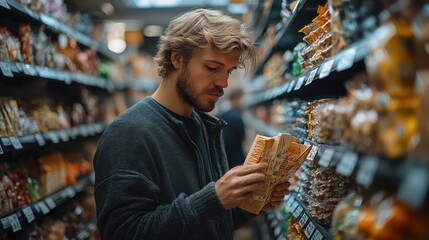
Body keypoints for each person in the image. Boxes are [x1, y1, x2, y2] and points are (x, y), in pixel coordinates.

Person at [93, 9, 290, 240]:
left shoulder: (204, 127)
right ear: (177, 58)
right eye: (212, 68)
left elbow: (210, 223)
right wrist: (213, 199)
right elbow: (123, 233)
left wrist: (248, 203)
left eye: (228, 71)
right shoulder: (127, 134)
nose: (223, 82)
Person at [217, 88, 246, 168]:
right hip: (235, 159)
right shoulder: (236, 117)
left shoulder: (220, 114)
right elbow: (242, 136)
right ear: (236, 99)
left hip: (223, 158)